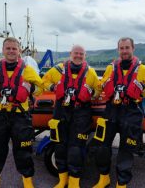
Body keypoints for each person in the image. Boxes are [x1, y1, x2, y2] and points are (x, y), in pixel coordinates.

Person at [0, 37, 44, 188]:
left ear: (19, 51)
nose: (11, 51)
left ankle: (27, 181)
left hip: (20, 115)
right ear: (3, 50)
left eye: (14, 48)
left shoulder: (27, 70)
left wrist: (29, 89)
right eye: (8, 48)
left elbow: (40, 88)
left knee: (24, 150)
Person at [93, 37, 145, 188]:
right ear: (118, 50)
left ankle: (121, 183)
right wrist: (104, 85)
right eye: (121, 48)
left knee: (126, 149)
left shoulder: (142, 70)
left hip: (131, 111)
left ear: (133, 49)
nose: (124, 51)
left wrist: (141, 88)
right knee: (102, 145)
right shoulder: (111, 68)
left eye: (127, 48)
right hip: (111, 109)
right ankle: (104, 177)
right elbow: (102, 84)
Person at [42, 45, 101, 188]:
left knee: (76, 149)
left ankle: (74, 182)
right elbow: (43, 82)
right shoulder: (57, 70)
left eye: (81, 54)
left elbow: (98, 91)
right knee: (60, 146)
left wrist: (90, 93)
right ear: (70, 54)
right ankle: (63, 180)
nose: (78, 56)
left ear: (84, 56)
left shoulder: (91, 73)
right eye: (76, 53)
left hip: (81, 113)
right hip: (61, 110)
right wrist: (53, 87)